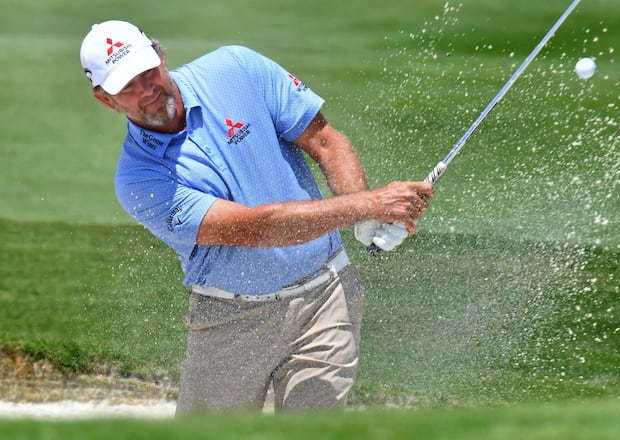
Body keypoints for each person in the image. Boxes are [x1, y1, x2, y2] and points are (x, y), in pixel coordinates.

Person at [79, 20, 433, 414]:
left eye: (149, 71)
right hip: (230, 322)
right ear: (106, 100)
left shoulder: (237, 68)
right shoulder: (140, 179)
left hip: (327, 298)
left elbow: (325, 141)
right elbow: (258, 229)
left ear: (161, 57)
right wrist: (367, 205)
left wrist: (359, 212)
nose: (148, 89)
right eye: (128, 85)